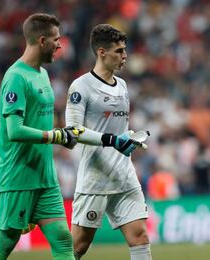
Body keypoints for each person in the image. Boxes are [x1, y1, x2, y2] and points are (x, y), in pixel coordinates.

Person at [0, 13, 83, 260]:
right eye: (56, 39)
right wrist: (54, 137)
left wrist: (63, 135)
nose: (60, 45)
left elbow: (43, 121)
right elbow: (14, 131)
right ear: (42, 41)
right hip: (18, 174)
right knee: (6, 242)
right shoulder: (16, 77)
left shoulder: (43, 74)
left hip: (44, 176)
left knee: (62, 239)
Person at [65, 24, 152, 260]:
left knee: (140, 237)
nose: (125, 56)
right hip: (95, 178)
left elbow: (117, 128)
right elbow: (73, 131)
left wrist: (128, 139)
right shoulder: (81, 86)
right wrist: (113, 140)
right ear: (101, 52)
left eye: (125, 50)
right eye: (119, 51)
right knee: (78, 247)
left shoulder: (122, 86)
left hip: (124, 175)